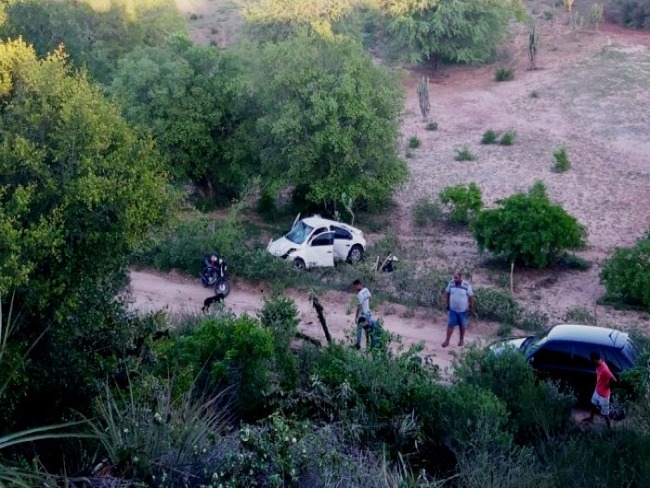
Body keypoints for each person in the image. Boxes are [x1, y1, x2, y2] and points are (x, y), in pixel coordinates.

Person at [583, 351, 617, 428]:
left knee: (605, 414)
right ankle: (591, 419)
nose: (590, 361)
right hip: (597, 390)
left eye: (591, 360)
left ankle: (610, 430)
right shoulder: (598, 364)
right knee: (593, 404)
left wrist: (607, 386)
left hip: (604, 395)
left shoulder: (605, 369)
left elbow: (614, 380)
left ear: (595, 360)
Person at [442, 271, 474, 348]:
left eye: (456, 278)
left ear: (460, 277)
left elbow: (471, 297)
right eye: (454, 277)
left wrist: (471, 308)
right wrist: (447, 304)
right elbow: (447, 293)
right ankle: (447, 341)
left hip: (463, 311)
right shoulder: (451, 283)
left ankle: (461, 340)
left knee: (462, 325)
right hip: (453, 310)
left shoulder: (466, 285)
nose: (454, 279)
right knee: (450, 325)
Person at [353, 279, 373, 349]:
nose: (354, 288)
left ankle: (358, 345)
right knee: (368, 329)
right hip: (368, 313)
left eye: (355, 287)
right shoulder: (366, 290)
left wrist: (356, 317)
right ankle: (369, 345)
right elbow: (370, 298)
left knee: (359, 329)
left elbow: (359, 306)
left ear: (358, 285)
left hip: (362, 315)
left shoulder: (359, 294)